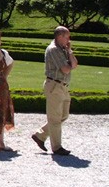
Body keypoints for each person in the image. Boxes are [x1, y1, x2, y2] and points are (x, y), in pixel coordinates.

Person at [32, 26, 78, 156]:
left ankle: (40, 135)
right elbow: (66, 69)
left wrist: (69, 51)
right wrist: (70, 64)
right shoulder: (53, 50)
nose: (68, 39)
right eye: (66, 36)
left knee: (63, 115)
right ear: (59, 36)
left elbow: (74, 64)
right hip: (54, 85)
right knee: (55, 118)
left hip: (63, 86)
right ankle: (57, 147)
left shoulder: (63, 49)